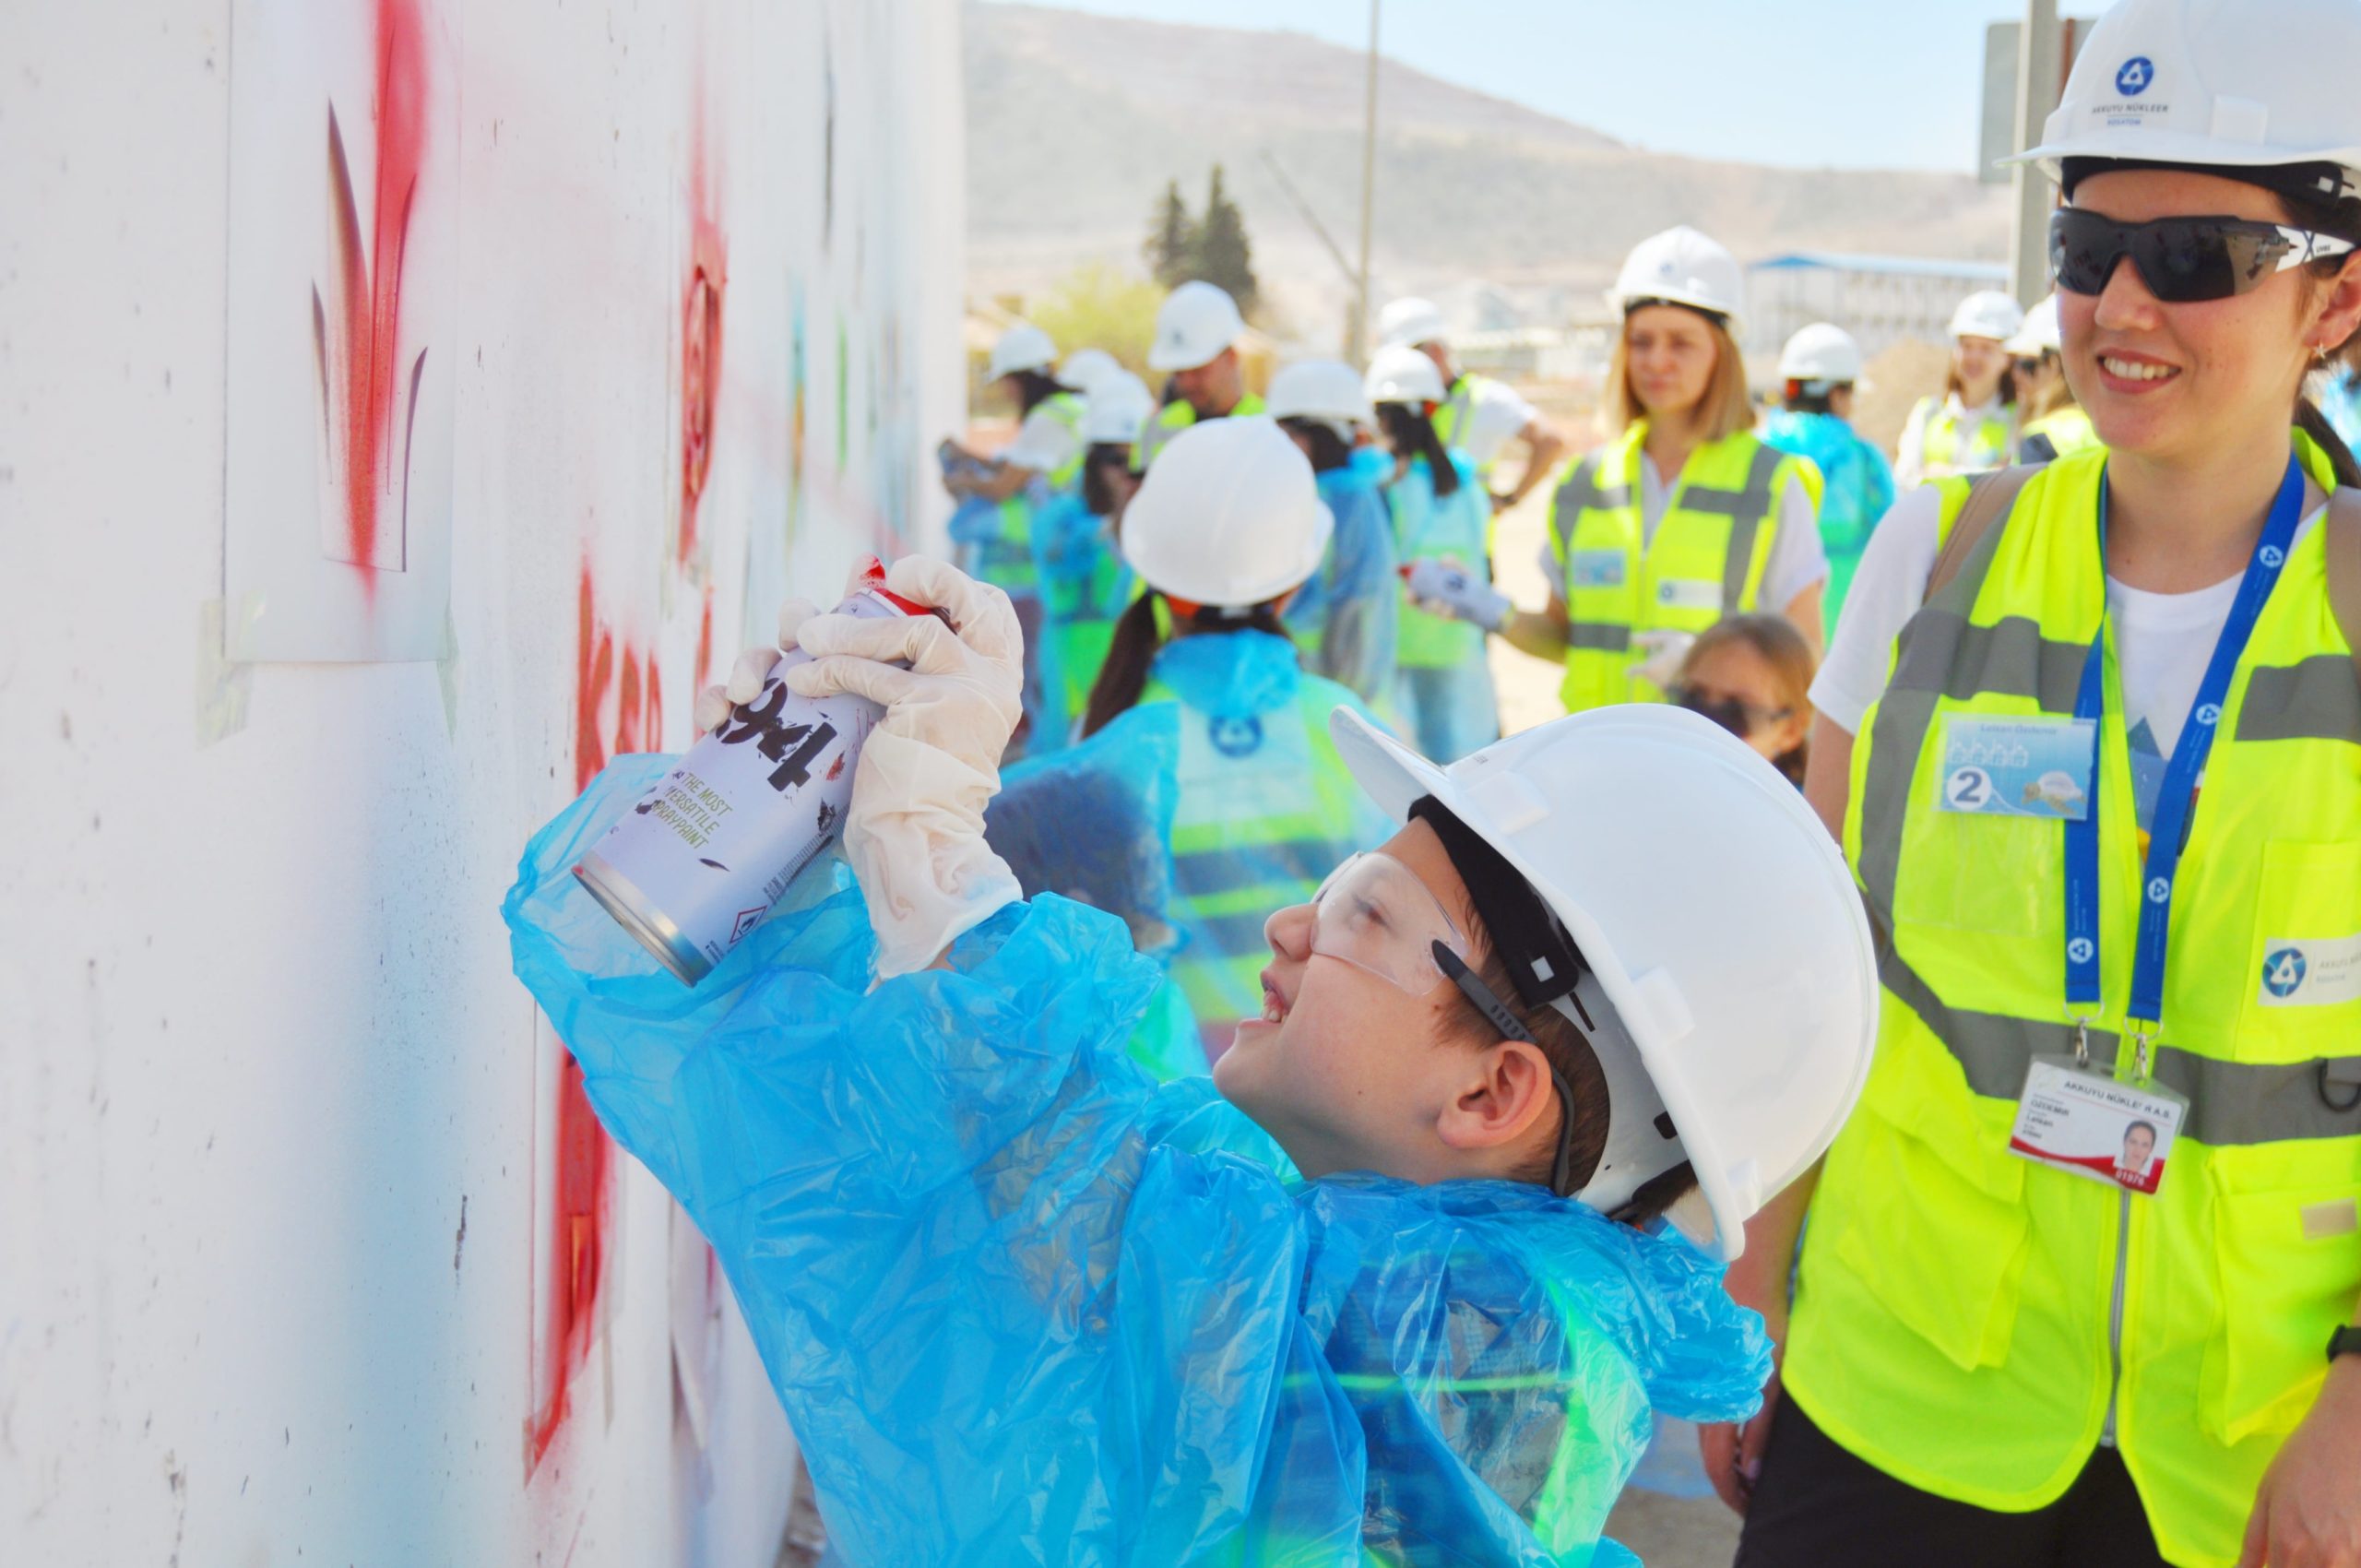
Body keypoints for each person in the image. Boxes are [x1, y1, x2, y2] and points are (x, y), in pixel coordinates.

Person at [506, 542, 1880, 1564]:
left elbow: (1123, 1222)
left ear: (1492, 1089)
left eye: (1362, 915)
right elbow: (1060, 1212)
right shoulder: (1370, 1257)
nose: (1291, 925)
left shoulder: (1481, 1356)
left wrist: (935, 867)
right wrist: (807, 860)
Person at [1715, 5, 2361, 1563]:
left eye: (2197, 255)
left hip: (2245, 1463)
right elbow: (1828, 973)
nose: (2120, 304)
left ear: (2336, 300)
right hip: (1899, 1397)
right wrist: (1753, 1291)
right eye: (2085, 247)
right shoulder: (1934, 559)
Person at [1038, 415, 1395, 1063]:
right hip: (1323, 1100)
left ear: (1158, 576)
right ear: (1293, 585)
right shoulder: (1350, 730)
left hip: (1164, 1108)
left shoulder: (1112, 736)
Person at [1410, 227, 1830, 718]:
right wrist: (1483, 607)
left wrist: (1707, 670)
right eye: (1641, 341)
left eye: (1681, 343)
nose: (1657, 361)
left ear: (1721, 352)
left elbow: (1804, 663)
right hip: (1591, 766)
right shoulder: (1584, 485)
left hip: (1708, 772)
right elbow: (1568, 639)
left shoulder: (1772, 485)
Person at [943, 322, 1087, 752]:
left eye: (1007, 382)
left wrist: (963, 479)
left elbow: (1006, 484)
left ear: (1022, 379)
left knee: (1033, 662)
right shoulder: (1072, 409)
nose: (1006, 393)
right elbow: (1016, 468)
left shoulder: (1047, 418)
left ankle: (1028, 740)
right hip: (1076, 553)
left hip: (1049, 554)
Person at [1366, 344, 1501, 763]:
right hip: (1448, 635)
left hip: (1387, 637)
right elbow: (1480, 550)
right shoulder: (1462, 476)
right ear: (1432, 407)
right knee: (1442, 750)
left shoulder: (1377, 478)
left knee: (1386, 749)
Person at [1025, 371, 1156, 754]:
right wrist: (1107, 528)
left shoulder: (1149, 521)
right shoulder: (1062, 516)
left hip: (1126, 653)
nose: (1124, 474)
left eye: (1134, 464)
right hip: (1069, 657)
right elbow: (1056, 558)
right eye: (1114, 460)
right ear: (1094, 462)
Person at [1264, 357, 1400, 706]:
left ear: (1320, 435)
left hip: (1324, 701)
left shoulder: (1347, 502)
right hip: (1301, 695)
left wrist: (1342, 709)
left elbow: (1358, 612)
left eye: (1290, 432)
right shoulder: (1308, 495)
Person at [1762, 323, 1898, 635]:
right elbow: (1892, 540)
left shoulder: (1754, 454)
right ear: (1837, 395)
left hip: (1767, 634)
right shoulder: (1865, 460)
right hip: (1840, 631)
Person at [1377, 296, 1569, 516]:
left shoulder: (1485, 399)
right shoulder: (1396, 405)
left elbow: (1550, 441)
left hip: (1467, 546)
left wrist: (1510, 499)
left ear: (1436, 352)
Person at [1893, 291, 2025, 488]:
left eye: (1985, 349)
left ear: (2007, 357)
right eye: (1967, 346)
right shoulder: (1928, 413)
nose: (1973, 357)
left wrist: (1941, 474)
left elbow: (2012, 485)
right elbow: (1904, 479)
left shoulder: (2019, 418)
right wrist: (1985, 477)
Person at [1668, 614, 1815, 788]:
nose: (1707, 725)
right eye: (1693, 699)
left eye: (1735, 712)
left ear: (1791, 730)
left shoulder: (1797, 814)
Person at [1136, 279, 1264, 469]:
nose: (1186, 383)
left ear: (1231, 357)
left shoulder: (1268, 426)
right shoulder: (1157, 427)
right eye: (1178, 372)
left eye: (1198, 370)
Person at [2011, 295, 2103, 464]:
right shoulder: (2107, 430)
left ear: (2053, 365)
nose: (2016, 374)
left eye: (2026, 365)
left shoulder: (2040, 439)